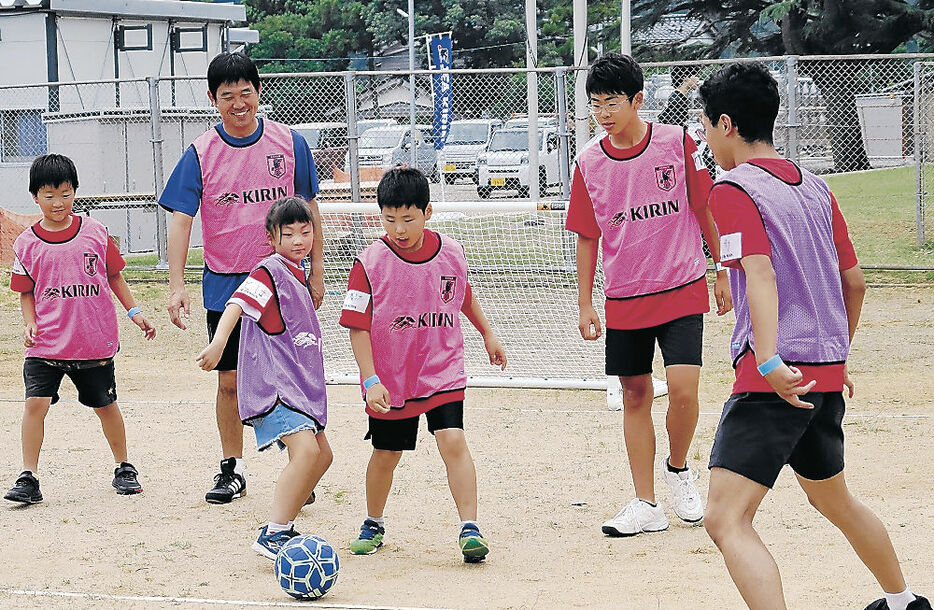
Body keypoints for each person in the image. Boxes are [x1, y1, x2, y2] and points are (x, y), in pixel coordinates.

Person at [699, 62, 930, 610]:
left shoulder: (731, 190)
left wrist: (770, 358)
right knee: (836, 499)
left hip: (776, 377)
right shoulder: (817, 188)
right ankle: (904, 602)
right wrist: (838, 358)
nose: (705, 138)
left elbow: (759, 274)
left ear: (727, 124)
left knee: (725, 519)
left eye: (706, 126)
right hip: (823, 373)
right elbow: (855, 283)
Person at [566, 52, 732, 536]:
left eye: (612, 102)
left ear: (637, 99)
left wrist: (722, 269)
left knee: (683, 390)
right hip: (624, 297)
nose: (603, 113)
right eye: (595, 104)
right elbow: (586, 235)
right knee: (635, 394)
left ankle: (679, 468)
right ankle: (645, 503)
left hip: (681, 286)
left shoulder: (678, 143)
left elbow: (706, 208)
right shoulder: (589, 162)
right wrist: (584, 302)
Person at [160, 52, 324, 505]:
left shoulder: (290, 143)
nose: (238, 103)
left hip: (286, 283)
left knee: (289, 376)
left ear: (258, 92)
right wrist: (177, 285)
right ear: (213, 100)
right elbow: (180, 218)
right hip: (225, 283)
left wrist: (317, 273)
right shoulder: (199, 153)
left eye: (245, 93)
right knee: (229, 380)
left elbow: (311, 211)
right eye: (227, 95)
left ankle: (300, 465)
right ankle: (232, 467)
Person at [340, 167, 506, 563]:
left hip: (442, 367)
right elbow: (357, 328)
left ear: (428, 211)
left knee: (452, 439)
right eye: (389, 219)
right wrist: (370, 380)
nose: (398, 228)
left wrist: (487, 333)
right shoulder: (369, 262)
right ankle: (373, 522)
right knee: (386, 454)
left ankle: (470, 528)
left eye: (408, 219)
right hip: (392, 379)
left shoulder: (451, 251)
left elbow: (462, 294)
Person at [4, 154, 156, 505]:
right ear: (34, 197)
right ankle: (29, 477)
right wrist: (30, 322)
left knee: (106, 404)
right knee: (34, 404)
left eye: (65, 193)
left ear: (75, 192)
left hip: (93, 341)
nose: (58, 203)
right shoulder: (26, 244)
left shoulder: (95, 232)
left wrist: (134, 311)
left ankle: (124, 466)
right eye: (48, 195)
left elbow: (114, 275)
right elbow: (25, 291)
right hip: (47, 344)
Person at [196, 197, 332, 558]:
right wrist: (218, 342)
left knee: (322, 458)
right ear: (271, 239)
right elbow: (237, 304)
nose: (299, 240)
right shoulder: (268, 271)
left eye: (306, 232)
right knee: (305, 454)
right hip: (278, 386)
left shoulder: (298, 272)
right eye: (288, 234)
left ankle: (287, 508)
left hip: (301, 387)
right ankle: (274, 532)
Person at [657, 65, 699, 129]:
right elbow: (675, 125)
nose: (697, 79)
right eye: (695, 75)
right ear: (685, 78)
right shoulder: (677, 99)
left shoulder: (680, 96)